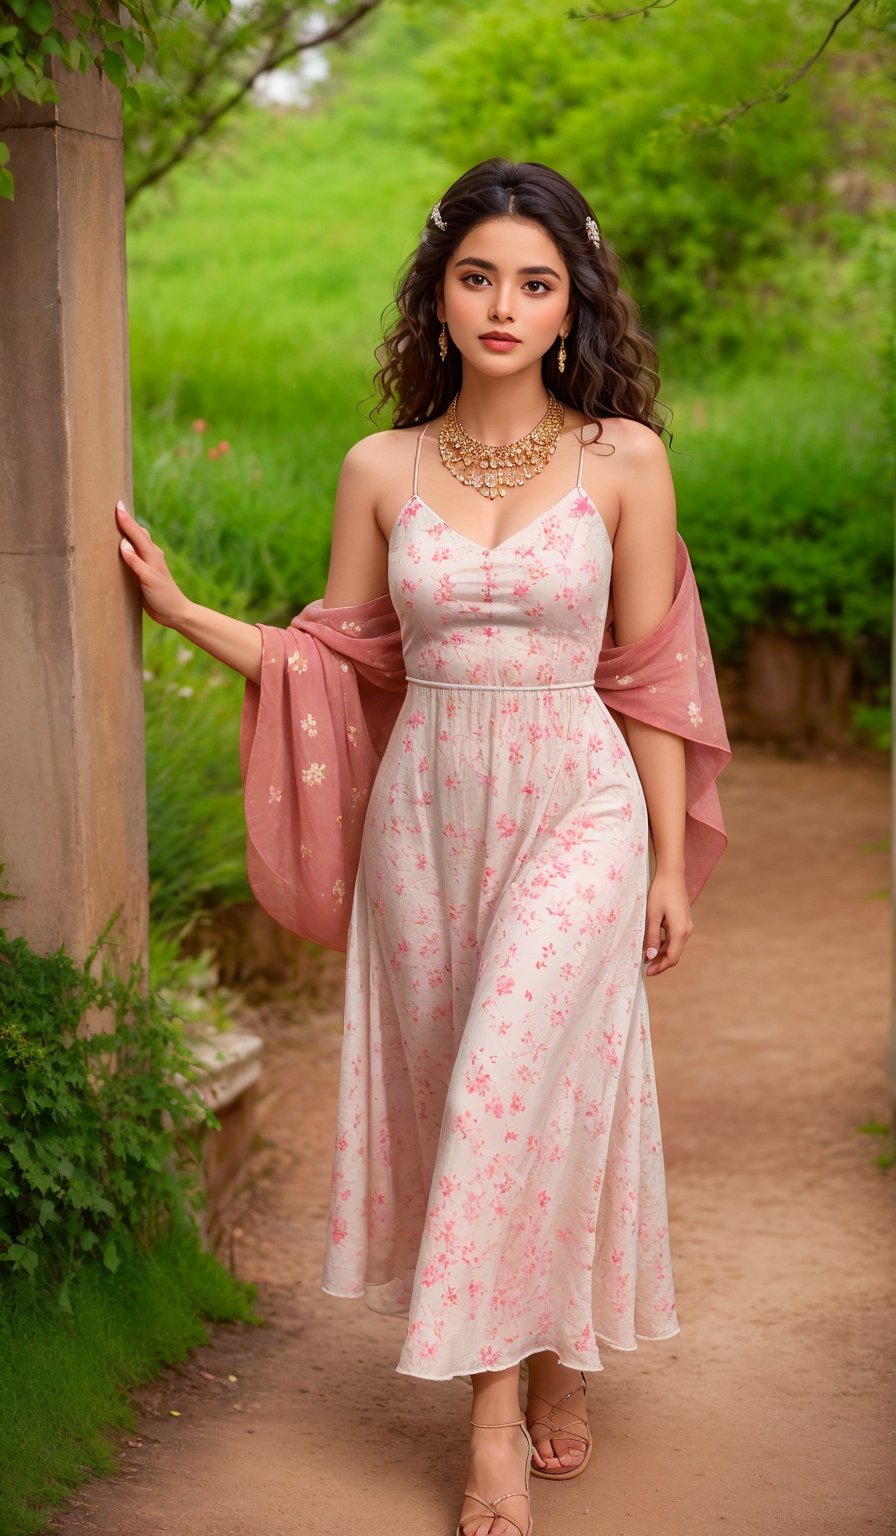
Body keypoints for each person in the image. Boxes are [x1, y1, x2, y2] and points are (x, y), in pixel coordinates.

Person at [117, 157, 731, 1536]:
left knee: (511, 1081)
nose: (503, 305)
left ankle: (494, 1420)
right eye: (477, 277)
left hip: (578, 803)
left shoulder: (624, 457)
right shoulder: (379, 468)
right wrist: (180, 613)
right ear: (438, 298)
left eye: (533, 281)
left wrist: (672, 866)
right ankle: (560, 1349)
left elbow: (653, 674)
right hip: (428, 817)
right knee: (498, 1090)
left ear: (571, 306)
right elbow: (329, 660)